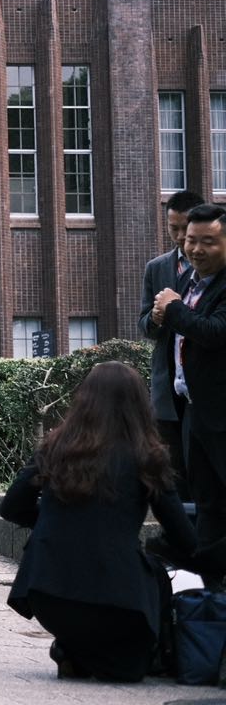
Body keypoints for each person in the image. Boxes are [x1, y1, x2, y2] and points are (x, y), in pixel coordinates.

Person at [0, 361, 198, 681]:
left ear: (84, 399)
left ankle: (71, 649)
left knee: (99, 648)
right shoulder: (147, 456)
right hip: (114, 598)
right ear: (138, 405)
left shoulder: (55, 446)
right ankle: (108, 653)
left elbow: (11, 507)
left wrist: (56, 522)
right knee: (130, 669)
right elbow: (183, 536)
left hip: (48, 592)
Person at [152, 201, 226, 582]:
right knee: (207, 503)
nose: (195, 249)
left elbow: (214, 332)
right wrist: (162, 312)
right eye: (190, 240)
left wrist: (174, 309)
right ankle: (211, 591)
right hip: (195, 412)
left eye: (207, 241)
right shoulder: (189, 281)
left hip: (221, 415)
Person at [142, 189, 204, 497]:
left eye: (185, 228)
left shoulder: (211, 266)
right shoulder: (157, 267)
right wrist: (154, 318)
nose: (179, 237)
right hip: (166, 385)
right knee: (171, 470)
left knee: (201, 469)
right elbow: (144, 326)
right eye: (172, 228)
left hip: (201, 384)